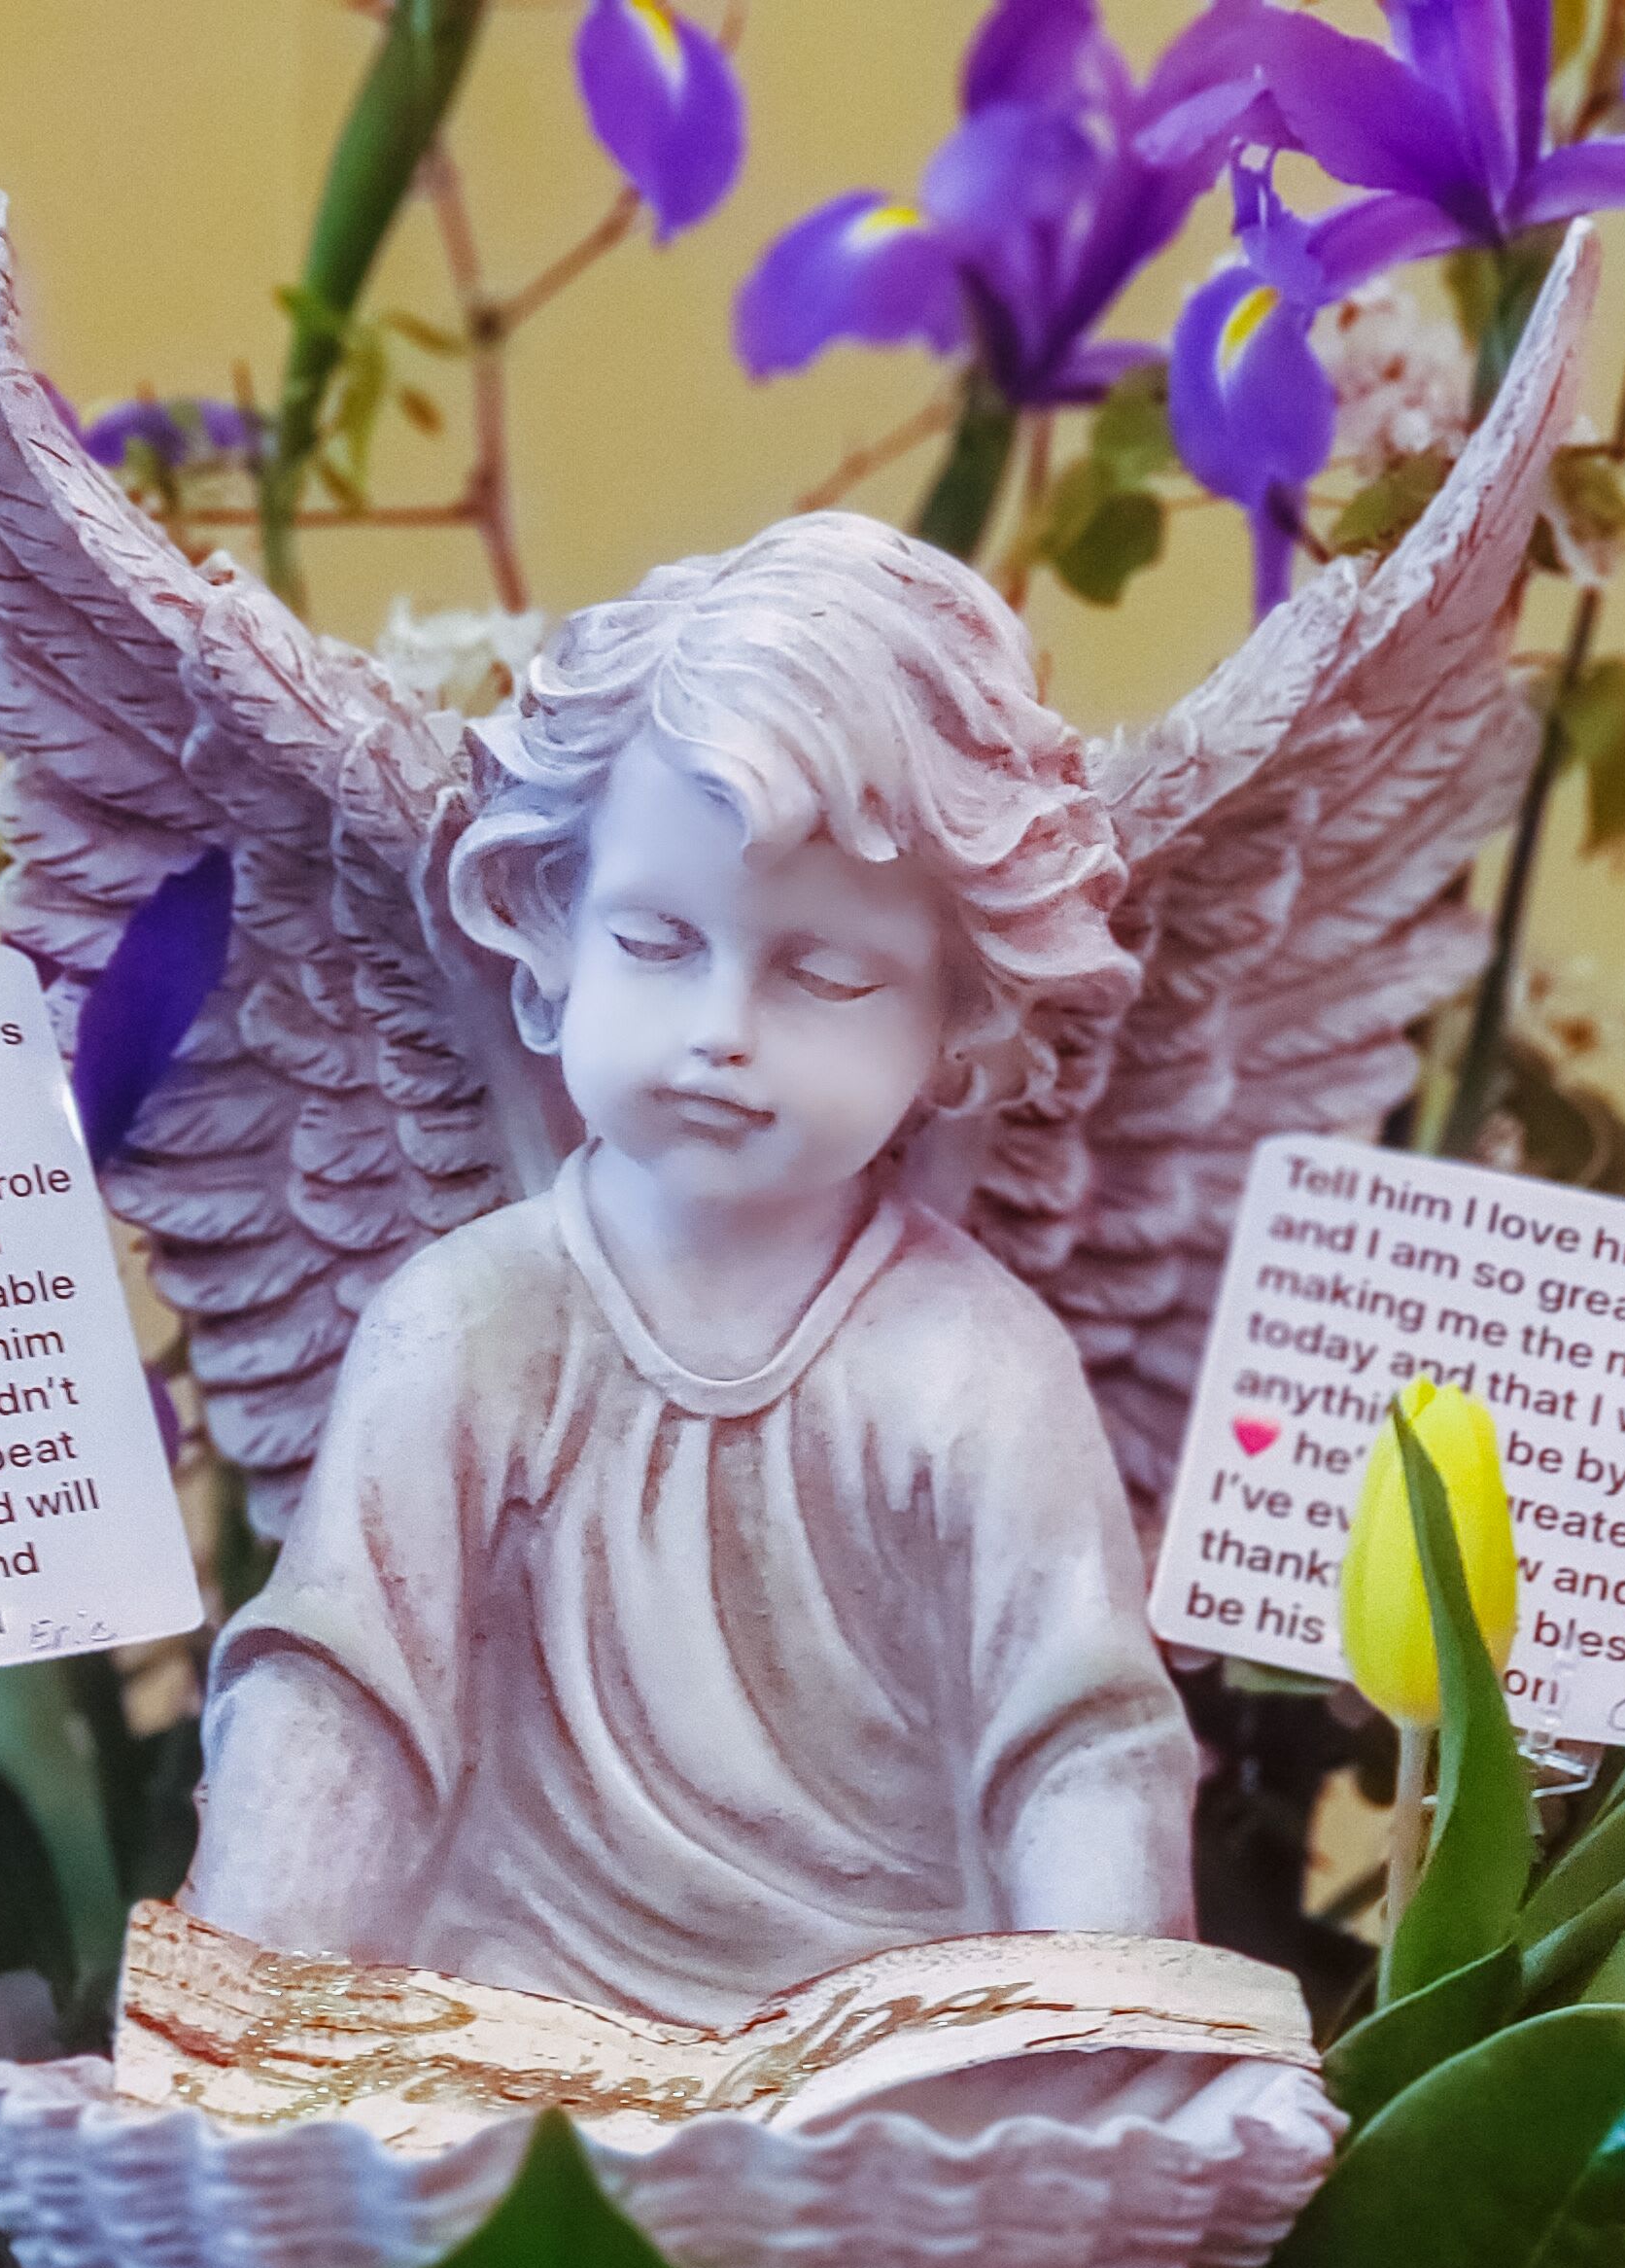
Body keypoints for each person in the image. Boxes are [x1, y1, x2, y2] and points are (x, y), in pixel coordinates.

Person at [185, 513, 1201, 2026]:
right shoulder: (465, 1326)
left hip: (886, 2047)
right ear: (548, 942)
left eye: (827, 974)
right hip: (510, 2028)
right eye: (655, 943)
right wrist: (239, 2031)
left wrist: (1104, 2050)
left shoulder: (976, 1367)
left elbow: (1081, 1743)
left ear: (960, 1022)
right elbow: (342, 1701)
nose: (721, 1029)